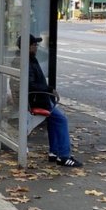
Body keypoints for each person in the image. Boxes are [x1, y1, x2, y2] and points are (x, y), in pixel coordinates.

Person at [22, 34, 80, 168]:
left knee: (55, 119)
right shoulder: (28, 62)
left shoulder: (28, 59)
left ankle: (54, 152)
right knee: (61, 119)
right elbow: (30, 85)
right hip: (36, 100)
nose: (36, 47)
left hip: (35, 98)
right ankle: (64, 156)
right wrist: (49, 89)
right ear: (27, 47)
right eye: (34, 45)